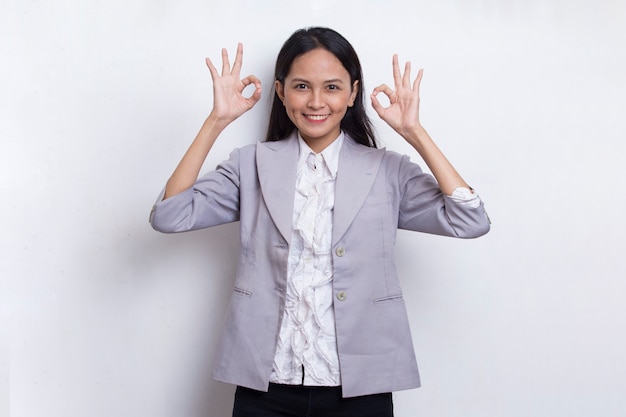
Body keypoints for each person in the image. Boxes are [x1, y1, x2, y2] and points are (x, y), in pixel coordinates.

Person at [150, 26, 490, 417]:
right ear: (280, 91)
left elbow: (470, 220)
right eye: (301, 86)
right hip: (267, 381)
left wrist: (415, 132)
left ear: (353, 92)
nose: (315, 102)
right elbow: (170, 216)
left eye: (331, 87)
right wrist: (216, 121)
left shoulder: (386, 170)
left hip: (361, 383)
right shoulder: (251, 163)